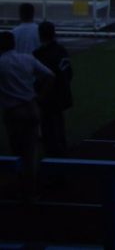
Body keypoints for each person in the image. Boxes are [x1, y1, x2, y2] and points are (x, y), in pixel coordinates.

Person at [0, 31, 53, 201]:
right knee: (30, 152)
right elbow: (50, 76)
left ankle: (21, 188)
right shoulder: (27, 59)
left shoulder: (1, 63)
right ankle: (30, 190)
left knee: (16, 150)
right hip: (31, 107)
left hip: (14, 111)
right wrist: (41, 97)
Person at [33, 21, 72, 159]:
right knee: (59, 125)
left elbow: (38, 78)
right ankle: (62, 153)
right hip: (61, 94)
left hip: (47, 97)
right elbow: (69, 73)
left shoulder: (39, 54)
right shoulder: (62, 50)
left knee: (48, 128)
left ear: (40, 35)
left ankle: (52, 157)